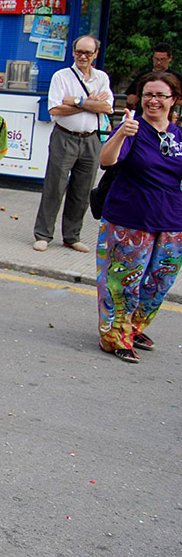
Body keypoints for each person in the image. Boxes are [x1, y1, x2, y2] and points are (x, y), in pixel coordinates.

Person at [96, 72, 182, 363]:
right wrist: (121, 132)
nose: (153, 100)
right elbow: (106, 161)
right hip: (130, 218)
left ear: (174, 101)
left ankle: (133, 327)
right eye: (148, 94)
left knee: (161, 282)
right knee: (122, 284)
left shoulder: (177, 135)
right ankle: (114, 336)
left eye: (160, 95)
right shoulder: (132, 129)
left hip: (172, 221)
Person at [32, 35, 113, 253]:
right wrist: (91, 104)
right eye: (79, 52)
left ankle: (72, 235)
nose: (83, 57)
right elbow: (56, 109)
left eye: (88, 53)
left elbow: (107, 107)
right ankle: (43, 234)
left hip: (91, 139)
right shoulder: (62, 76)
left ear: (95, 54)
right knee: (54, 187)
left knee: (82, 190)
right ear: (73, 52)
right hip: (64, 136)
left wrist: (77, 101)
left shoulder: (101, 78)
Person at [125, 43, 178, 112]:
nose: (159, 63)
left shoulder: (176, 78)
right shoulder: (143, 76)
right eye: (156, 59)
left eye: (162, 60)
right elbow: (130, 97)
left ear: (170, 58)